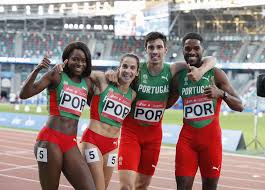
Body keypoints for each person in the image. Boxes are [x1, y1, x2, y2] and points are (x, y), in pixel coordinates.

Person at [106, 31, 216, 190]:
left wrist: (200, 71)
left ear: (165, 50)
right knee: (126, 187)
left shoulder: (172, 69)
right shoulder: (137, 70)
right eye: (151, 47)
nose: (155, 51)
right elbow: (120, 75)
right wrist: (111, 73)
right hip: (131, 134)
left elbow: (211, 59)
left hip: (154, 137)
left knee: (142, 186)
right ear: (146, 50)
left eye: (159, 47)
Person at [168, 32, 244, 190]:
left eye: (196, 48)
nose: (192, 51)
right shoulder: (179, 78)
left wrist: (221, 94)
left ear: (203, 49)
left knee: (209, 187)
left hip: (211, 141)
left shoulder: (215, 73)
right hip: (187, 141)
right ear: (183, 50)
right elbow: (166, 103)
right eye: (187, 48)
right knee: (182, 186)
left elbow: (240, 105)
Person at [19, 42, 96, 190]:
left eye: (83, 60)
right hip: (50, 140)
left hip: (70, 142)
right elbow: (24, 94)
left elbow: (98, 105)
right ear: (66, 59)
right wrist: (38, 69)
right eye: (75, 59)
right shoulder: (56, 75)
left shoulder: (87, 83)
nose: (79, 63)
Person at [80, 53, 139, 190]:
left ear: (136, 73)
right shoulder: (103, 80)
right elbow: (85, 71)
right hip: (92, 140)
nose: (128, 71)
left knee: (102, 187)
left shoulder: (133, 95)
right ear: (119, 67)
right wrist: (107, 71)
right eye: (124, 66)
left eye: (132, 68)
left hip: (112, 146)